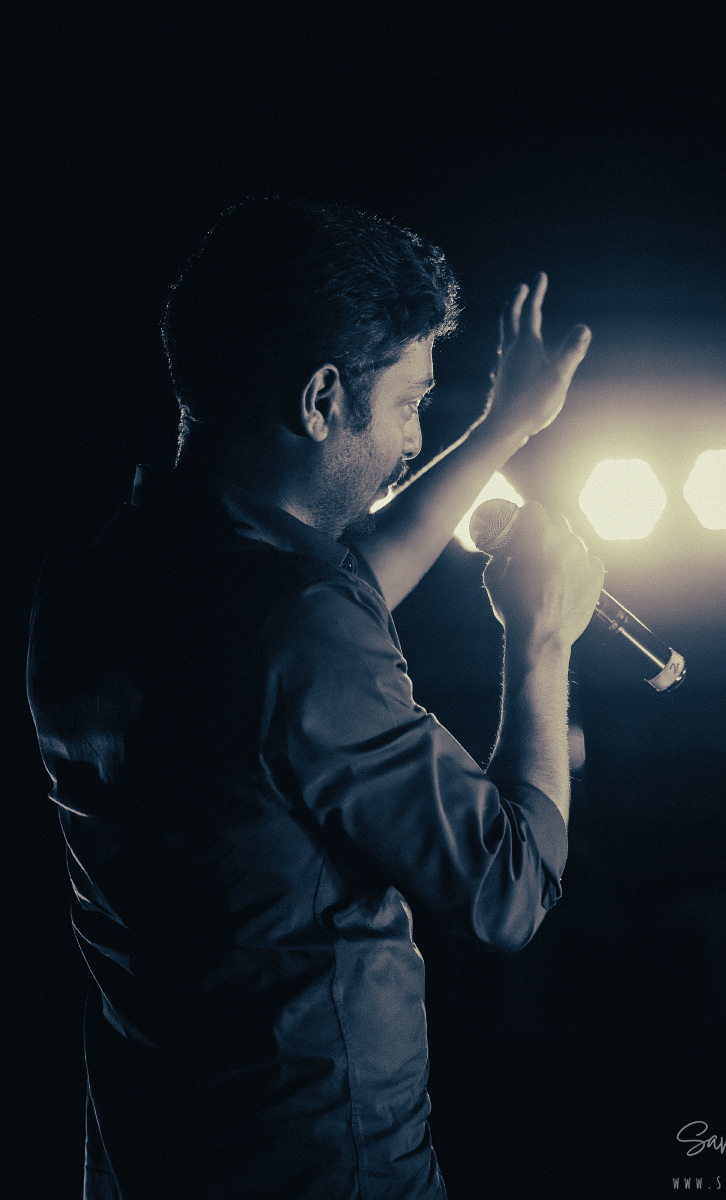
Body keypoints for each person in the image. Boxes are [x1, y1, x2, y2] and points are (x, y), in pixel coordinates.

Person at [27, 198, 604, 1200]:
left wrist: (503, 427)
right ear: (322, 398)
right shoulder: (296, 626)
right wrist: (543, 640)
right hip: (324, 1165)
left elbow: (339, 581)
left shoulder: (102, 573)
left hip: (150, 1153)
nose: (413, 442)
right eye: (410, 405)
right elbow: (506, 889)